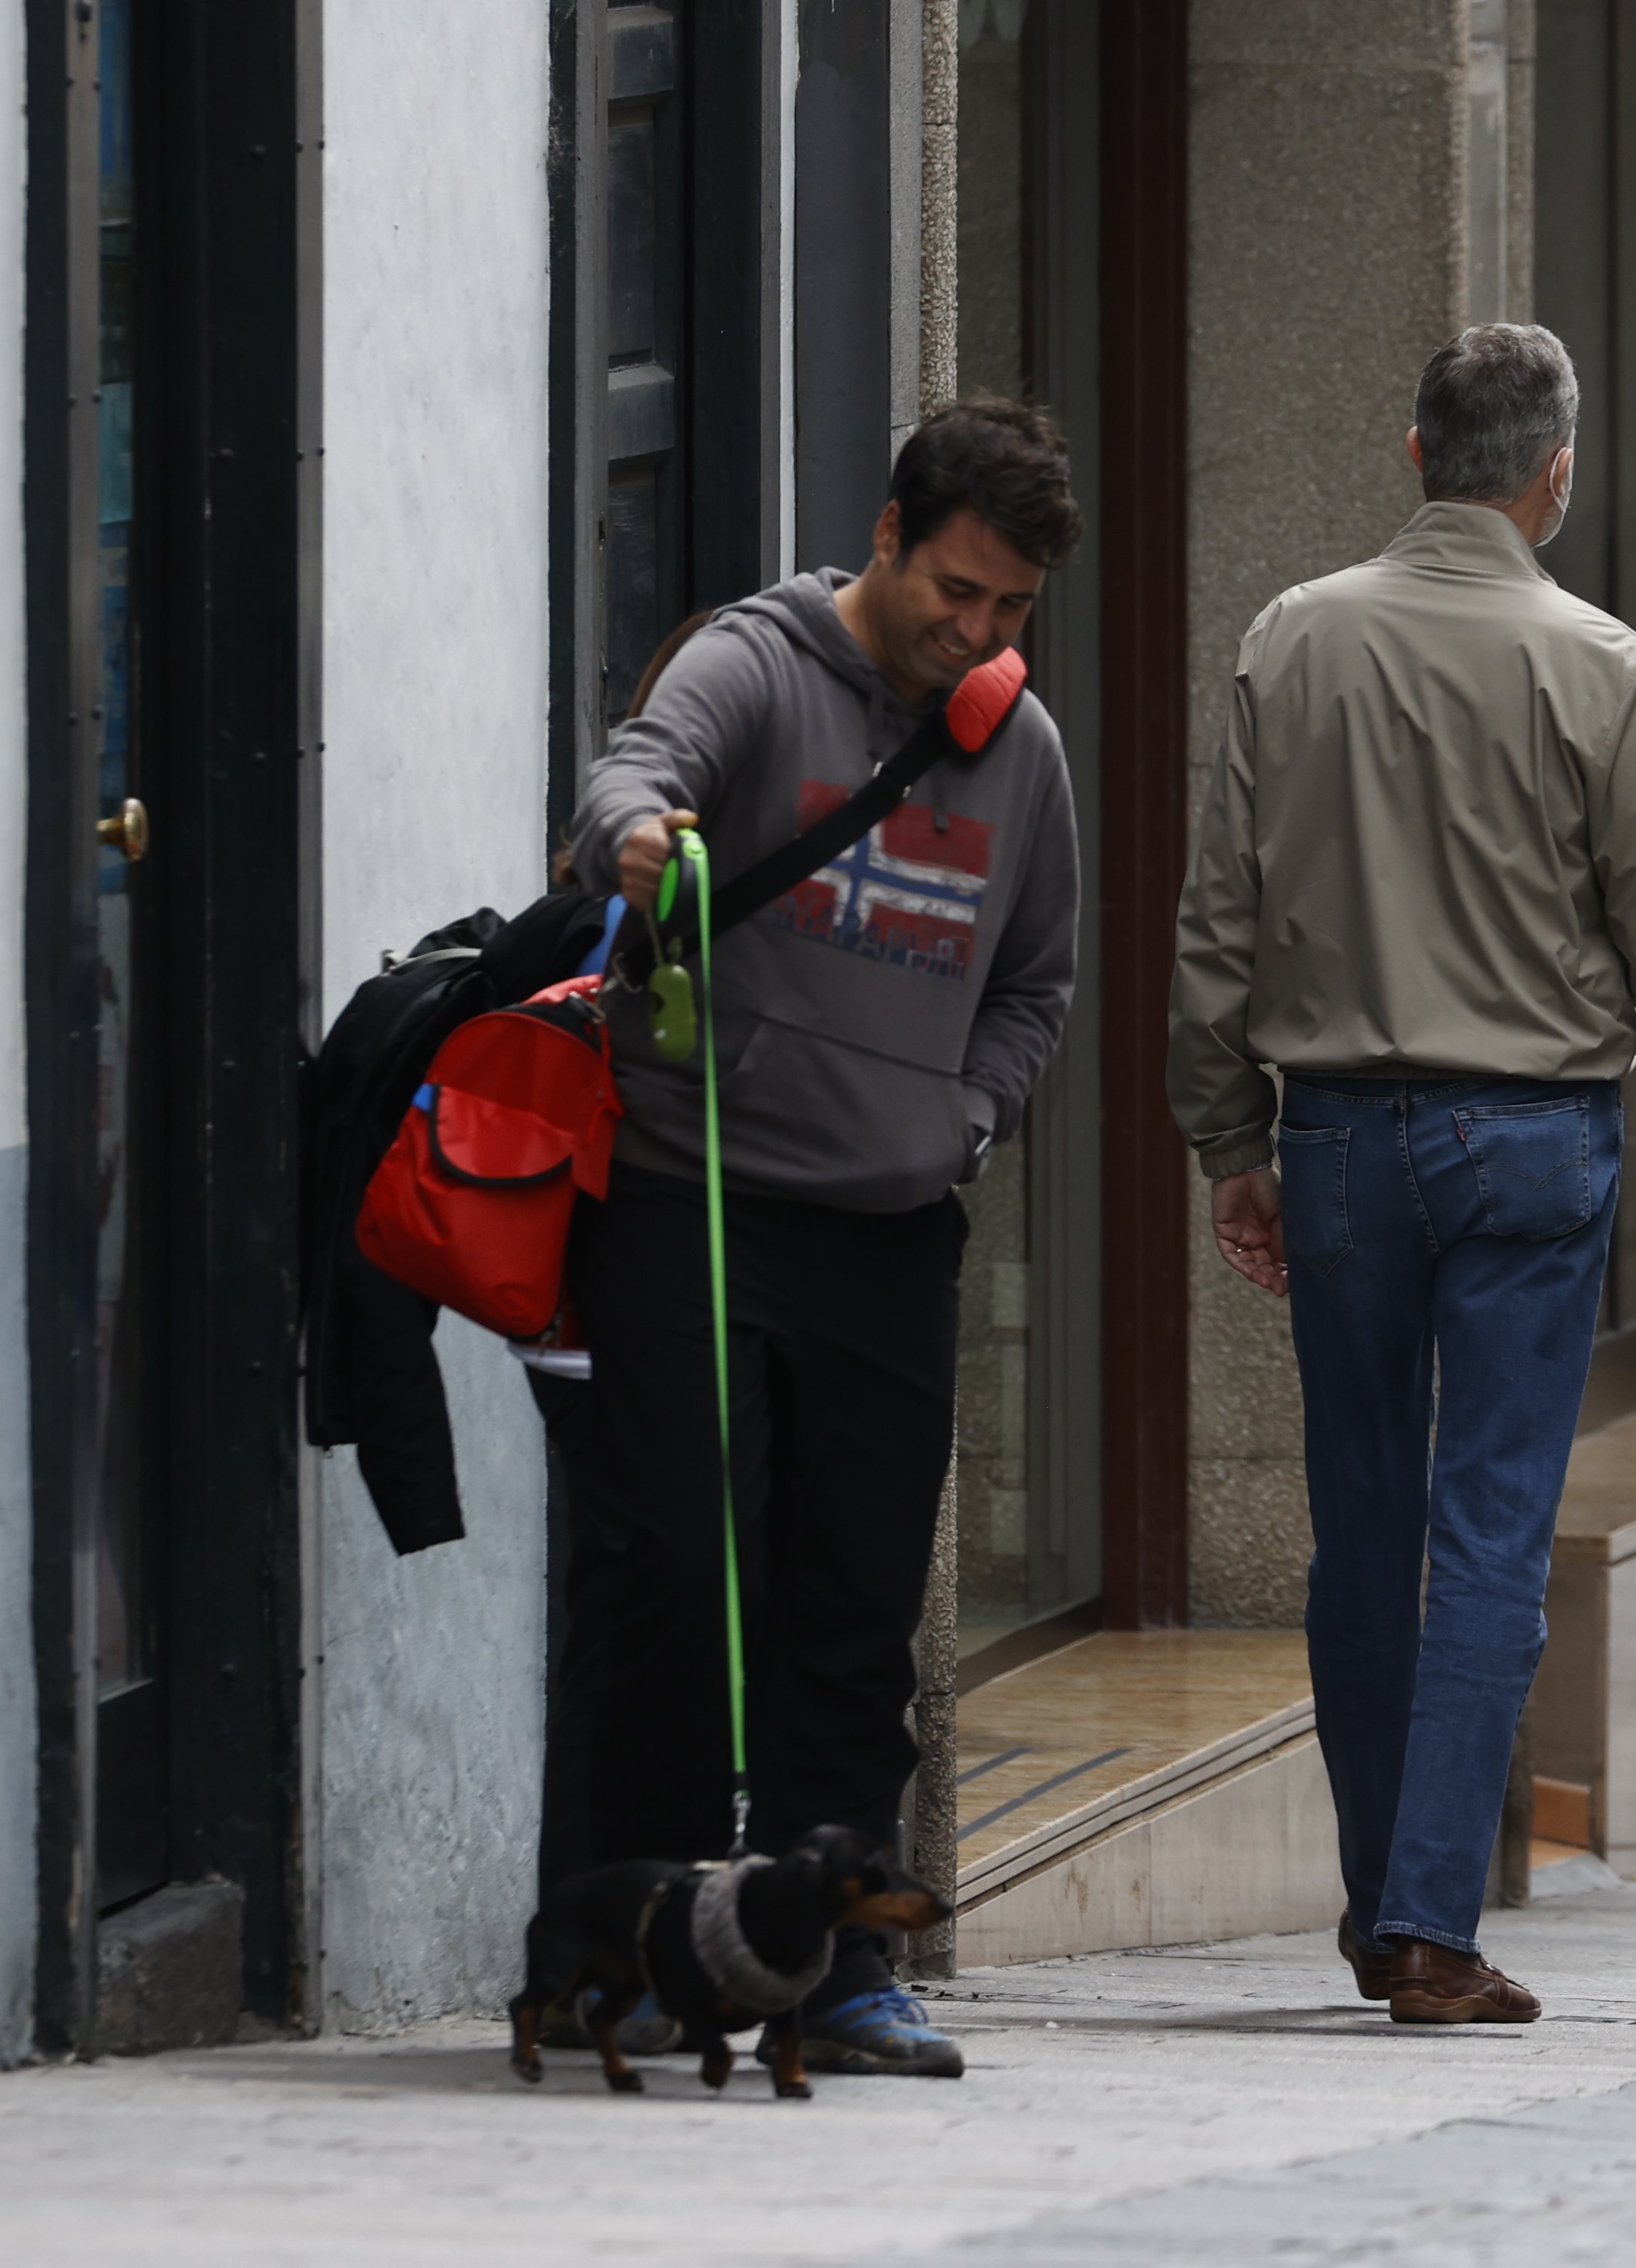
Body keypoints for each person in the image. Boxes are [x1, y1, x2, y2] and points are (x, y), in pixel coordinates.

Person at [1169, 324, 1636, 2025]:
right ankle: (1428, 1916)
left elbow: (1219, 916)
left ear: (1414, 451)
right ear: (1551, 474)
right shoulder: (1601, 666)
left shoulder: (1292, 639)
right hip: (1530, 1137)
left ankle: (1383, 1907)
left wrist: (1230, 1136)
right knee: (1489, 1527)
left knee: (1360, 1529)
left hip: (1338, 1132)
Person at [565, 398, 1084, 2078]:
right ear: (886, 534)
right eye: (956, 591)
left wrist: (969, 1120)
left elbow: (1038, 981)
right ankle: (634, 1950)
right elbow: (630, 773)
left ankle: (839, 1962)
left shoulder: (1021, 752)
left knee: (855, 1606)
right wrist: (642, 836)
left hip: (884, 1229)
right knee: (667, 1577)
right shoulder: (756, 662)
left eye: (1008, 610)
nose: (976, 634)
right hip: (688, 1200)